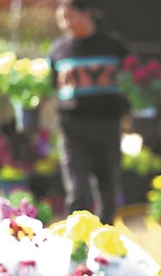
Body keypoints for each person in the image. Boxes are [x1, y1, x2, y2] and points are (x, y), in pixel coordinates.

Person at [48, 0, 129, 224]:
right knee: (77, 185)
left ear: (87, 14)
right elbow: (48, 86)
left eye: (70, 17)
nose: (66, 24)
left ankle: (107, 230)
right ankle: (79, 233)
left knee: (108, 181)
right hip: (72, 126)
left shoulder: (114, 46)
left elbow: (133, 80)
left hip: (107, 124)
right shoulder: (59, 50)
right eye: (61, 20)